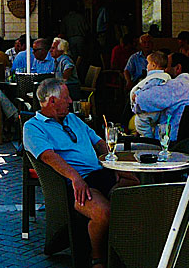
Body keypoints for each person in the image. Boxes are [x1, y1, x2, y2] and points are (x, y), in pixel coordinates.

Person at [24, 79, 136, 268]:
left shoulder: (73, 119)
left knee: (137, 189)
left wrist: (114, 163)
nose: (70, 101)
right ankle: (98, 259)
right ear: (52, 101)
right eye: (66, 98)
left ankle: (129, 250)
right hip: (74, 182)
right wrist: (75, 177)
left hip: (101, 173)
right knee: (103, 213)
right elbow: (48, 157)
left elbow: (98, 142)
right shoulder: (33, 127)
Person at [134, 53, 189, 141]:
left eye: (165, 66)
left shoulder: (175, 86)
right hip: (188, 141)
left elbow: (141, 100)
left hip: (169, 142)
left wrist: (136, 94)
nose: (163, 70)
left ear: (178, 68)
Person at [129, 51, 172, 138]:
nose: (146, 66)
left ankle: (147, 139)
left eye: (148, 63)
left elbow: (148, 88)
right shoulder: (164, 77)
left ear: (153, 65)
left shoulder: (156, 77)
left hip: (149, 109)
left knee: (140, 123)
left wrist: (137, 94)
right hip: (156, 108)